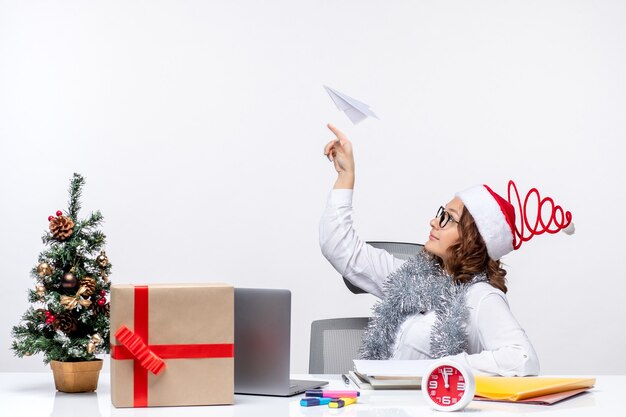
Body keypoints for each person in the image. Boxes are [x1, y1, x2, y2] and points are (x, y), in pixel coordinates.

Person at [319, 123, 573, 376]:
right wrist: (345, 176)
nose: (434, 221)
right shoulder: (411, 280)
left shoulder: (480, 297)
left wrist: (442, 368)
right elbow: (340, 248)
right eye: (441, 213)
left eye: (448, 218)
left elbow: (522, 359)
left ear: (472, 239)